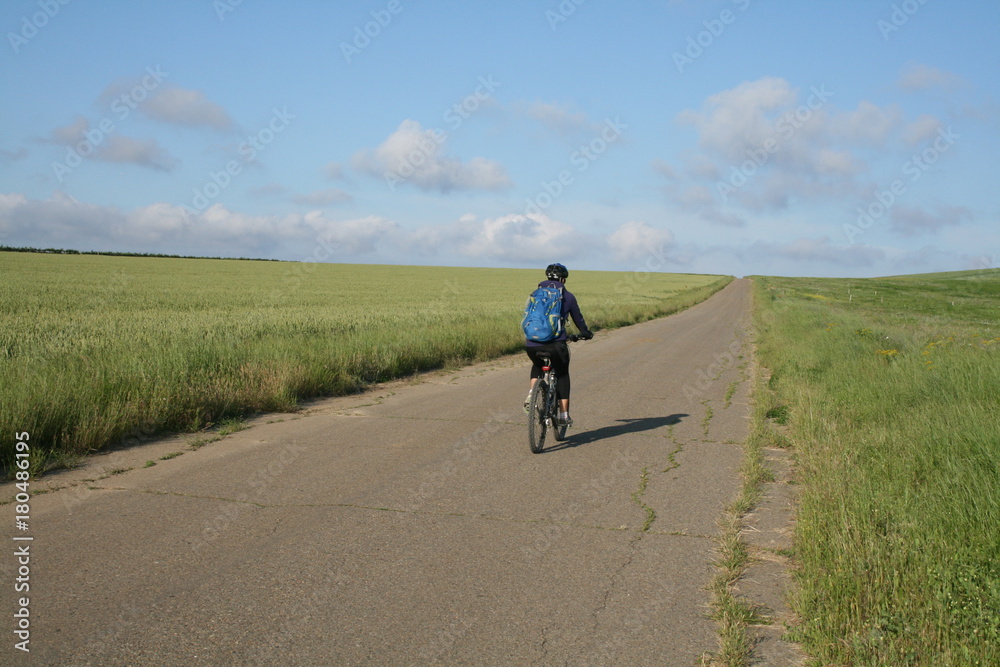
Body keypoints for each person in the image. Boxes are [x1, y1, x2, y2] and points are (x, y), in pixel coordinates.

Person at [523, 263, 593, 426]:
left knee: (537, 364)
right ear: (563, 279)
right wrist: (585, 333)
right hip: (556, 345)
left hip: (532, 344)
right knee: (562, 374)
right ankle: (563, 415)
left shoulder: (535, 294)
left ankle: (533, 392)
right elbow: (578, 319)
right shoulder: (567, 296)